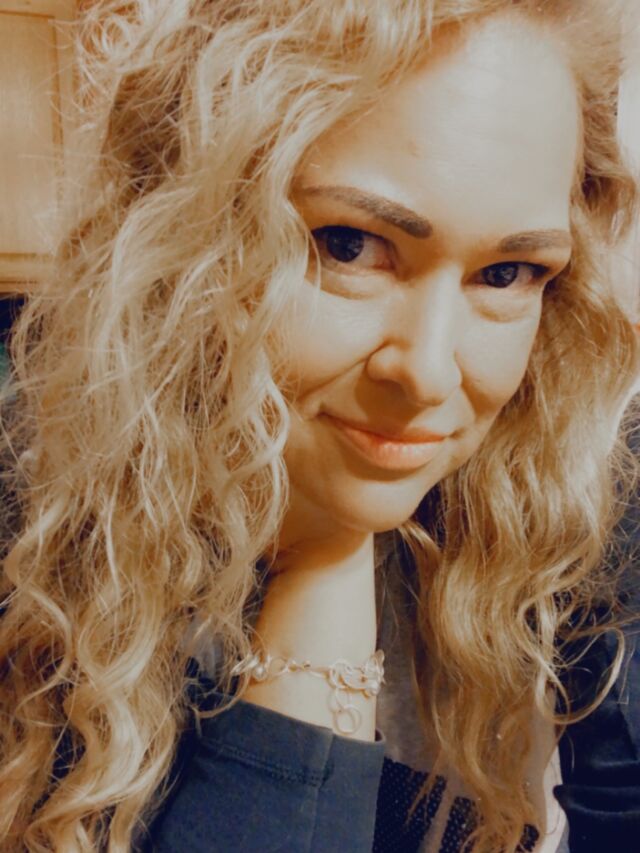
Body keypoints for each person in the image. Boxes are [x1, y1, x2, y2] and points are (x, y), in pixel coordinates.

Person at [0, 0, 638, 851]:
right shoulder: (33, 536)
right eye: (347, 245)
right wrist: (324, 568)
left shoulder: (574, 481)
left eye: (507, 272)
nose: (428, 371)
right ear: (183, 247)